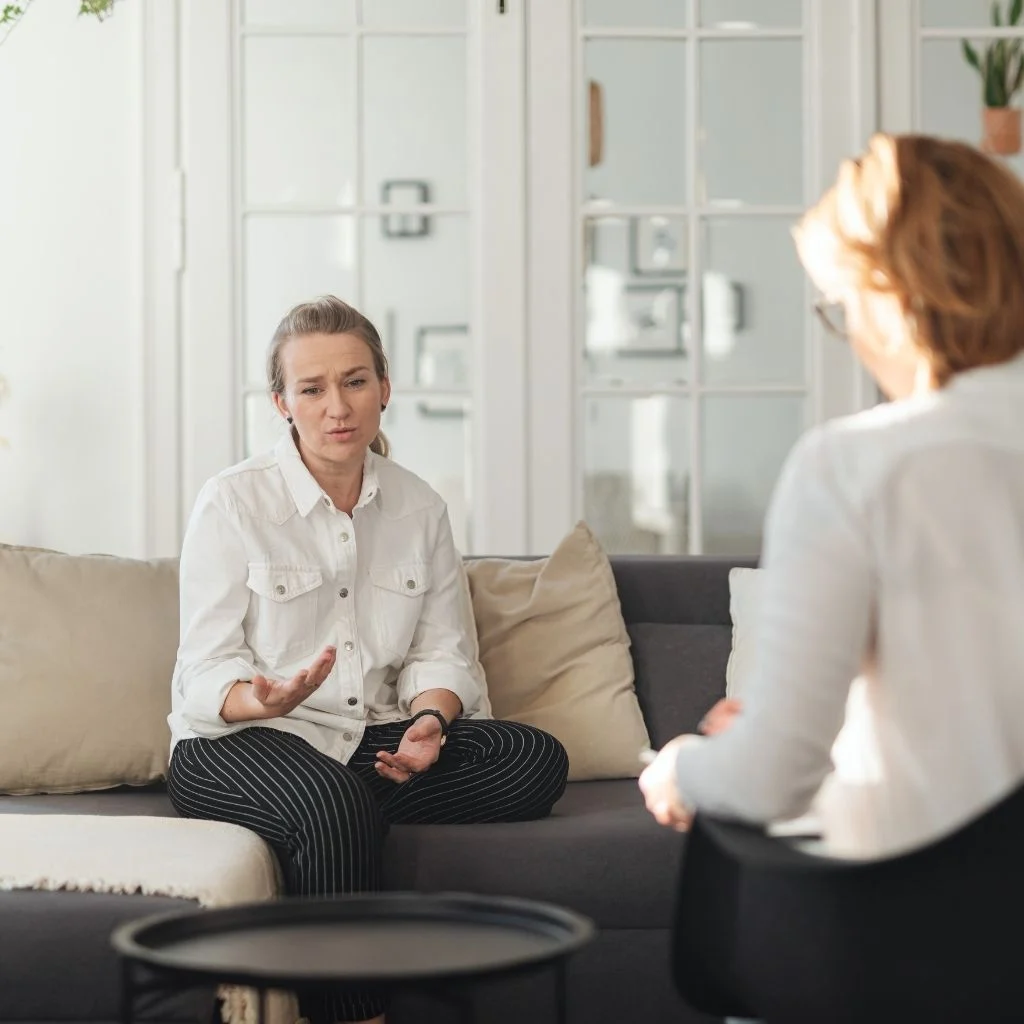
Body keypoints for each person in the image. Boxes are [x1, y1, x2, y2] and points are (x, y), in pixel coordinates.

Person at [167, 295, 569, 1024]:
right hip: (238, 742)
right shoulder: (231, 503)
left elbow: (443, 652)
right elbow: (203, 669)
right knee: (332, 801)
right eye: (312, 389)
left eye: (354, 382)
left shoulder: (421, 508)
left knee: (532, 758)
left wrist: (429, 723)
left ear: (385, 387)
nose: (336, 407)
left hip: (368, 743)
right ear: (282, 402)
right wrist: (264, 701)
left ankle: (323, 827)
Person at [640, 133, 1024, 860]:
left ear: (891, 297)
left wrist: (683, 766)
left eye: (843, 306)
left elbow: (769, 781)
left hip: (922, 922)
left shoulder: (856, 465)